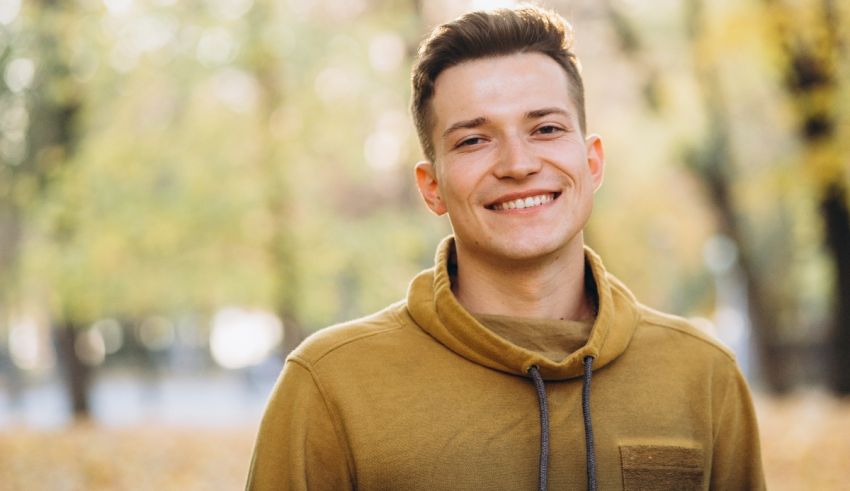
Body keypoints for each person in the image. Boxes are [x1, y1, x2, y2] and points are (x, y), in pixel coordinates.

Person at [246, 5, 765, 490]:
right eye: (474, 140)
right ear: (432, 187)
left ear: (592, 163)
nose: (518, 164)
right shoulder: (330, 383)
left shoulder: (703, 374)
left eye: (545, 128)